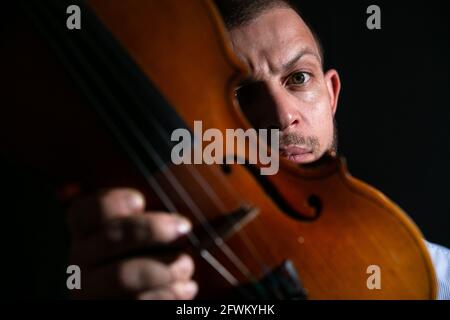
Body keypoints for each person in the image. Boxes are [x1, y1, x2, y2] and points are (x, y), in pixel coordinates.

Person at [68, 0, 450, 299]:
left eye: (298, 78)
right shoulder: (175, 282)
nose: (283, 117)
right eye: (243, 95)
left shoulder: (437, 278)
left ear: (331, 94)